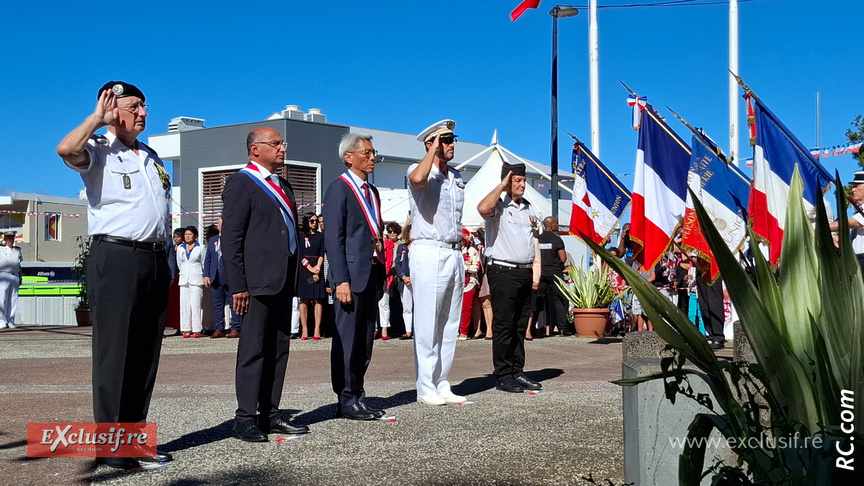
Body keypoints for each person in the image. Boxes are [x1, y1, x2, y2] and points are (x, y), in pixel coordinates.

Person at [56, 81, 172, 468]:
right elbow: (65, 149)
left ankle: (135, 441)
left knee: (145, 354)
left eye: (145, 107)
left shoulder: (152, 156)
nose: (142, 113)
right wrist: (96, 119)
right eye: (134, 106)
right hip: (117, 256)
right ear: (112, 108)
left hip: (155, 259)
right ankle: (111, 448)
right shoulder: (98, 150)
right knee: (116, 353)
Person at [222, 127, 308, 442]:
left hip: (283, 278)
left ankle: (270, 414)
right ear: (255, 149)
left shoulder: (283, 184)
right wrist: (238, 285)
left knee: (278, 349)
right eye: (276, 144)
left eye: (282, 143)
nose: (282, 148)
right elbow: (231, 240)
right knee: (253, 350)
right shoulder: (241, 183)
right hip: (255, 282)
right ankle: (245, 418)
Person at [323, 133, 388, 420]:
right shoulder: (340, 188)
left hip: (371, 272)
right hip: (350, 275)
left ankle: (359, 393)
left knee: (364, 340)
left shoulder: (371, 192)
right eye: (367, 152)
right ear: (349, 156)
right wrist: (340, 279)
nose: (372, 157)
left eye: (374, 153)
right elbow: (333, 239)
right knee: (347, 339)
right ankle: (346, 397)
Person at [407, 120, 467, 406]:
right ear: (431, 144)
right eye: (445, 140)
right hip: (428, 249)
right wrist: (432, 150)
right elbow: (418, 180)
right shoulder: (420, 170)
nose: (451, 144)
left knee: (449, 322)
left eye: (452, 139)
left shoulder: (455, 176)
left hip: (454, 252)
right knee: (428, 320)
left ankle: (442, 381)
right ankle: (425, 385)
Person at [477, 162, 542, 393]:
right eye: (517, 181)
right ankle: (503, 374)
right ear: (507, 182)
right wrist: (502, 185)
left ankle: (517, 371)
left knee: (520, 324)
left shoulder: (528, 207)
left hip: (524, 271)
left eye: (524, 180)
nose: (523, 184)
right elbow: (483, 208)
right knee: (504, 325)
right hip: (503, 271)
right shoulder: (499, 206)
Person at [204, 218, 241, 339]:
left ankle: (235, 327)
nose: (222, 227)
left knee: (233, 303)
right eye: (220, 225)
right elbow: (208, 259)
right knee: (218, 304)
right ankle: (219, 328)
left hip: (229, 276)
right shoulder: (213, 240)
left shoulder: (233, 239)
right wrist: (206, 274)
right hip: (215, 276)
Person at [535, 217, 571, 337]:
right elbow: (563, 258)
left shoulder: (537, 239)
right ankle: (562, 328)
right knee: (559, 301)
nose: (558, 225)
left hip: (540, 274)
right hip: (555, 274)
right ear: (550, 225)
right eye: (556, 223)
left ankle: (531, 328)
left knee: (538, 300)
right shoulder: (557, 240)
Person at [830, 170, 864, 278]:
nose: (853, 189)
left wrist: (822, 227)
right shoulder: (858, 212)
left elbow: (851, 223)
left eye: (856, 185)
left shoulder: (858, 216)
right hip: (854, 260)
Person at [297, 213, 325, 340]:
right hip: (305, 269)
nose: (315, 223)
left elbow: (321, 253)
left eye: (316, 221)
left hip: (317, 266)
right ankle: (304, 329)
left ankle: (317, 328)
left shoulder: (321, 236)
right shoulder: (301, 236)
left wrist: (317, 269)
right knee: (304, 299)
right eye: (312, 221)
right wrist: (310, 268)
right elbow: (300, 254)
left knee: (318, 299)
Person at [177, 226, 205, 338]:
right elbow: (179, 263)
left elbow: (203, 262)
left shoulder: (201, 247)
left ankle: (197, 329)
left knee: (196, 303)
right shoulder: (180, 248)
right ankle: (185, 328)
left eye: (190, 234)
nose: (187, 236)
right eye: (186, 234)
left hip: (196, 277)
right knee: (184, 304)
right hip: (184, 278)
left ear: (195, 235)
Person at [377, 221, 401, 340]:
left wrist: (386, 274)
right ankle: (375, 329)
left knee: (384, 303)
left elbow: (390, 261)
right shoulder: (370, 241)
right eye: (389, 231)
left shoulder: (389, 244)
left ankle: (384, 329)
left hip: (385, 276)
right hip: (371, 275)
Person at [458, 228, 480, 340]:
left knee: (466, 308)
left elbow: (475, 267)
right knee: (455, 308)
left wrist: (464, 267)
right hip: (456, 282)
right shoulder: (455, 252)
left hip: (469, 282)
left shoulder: (472, 251)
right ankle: (456, 330)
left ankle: (464, 331)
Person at [394, 223, 413, 340]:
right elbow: (397, 264)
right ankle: (408, 330)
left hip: (418, 281)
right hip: (406, 280)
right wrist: (403, 276)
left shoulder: (420, 248)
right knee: (407, 306)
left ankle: (418, 330)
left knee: (420, 306)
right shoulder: (402, 247)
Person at [0, 231, 22, 329]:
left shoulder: (18, 250)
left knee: (13, 299)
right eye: (8, 238)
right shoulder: (1, 249)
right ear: (5, 239)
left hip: (15, 275)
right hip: (4, 275)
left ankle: (10, 320)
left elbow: (19, 263)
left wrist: (20, 276)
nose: (10, 240)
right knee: (3, 298)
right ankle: (2, 320)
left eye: (12, 238)